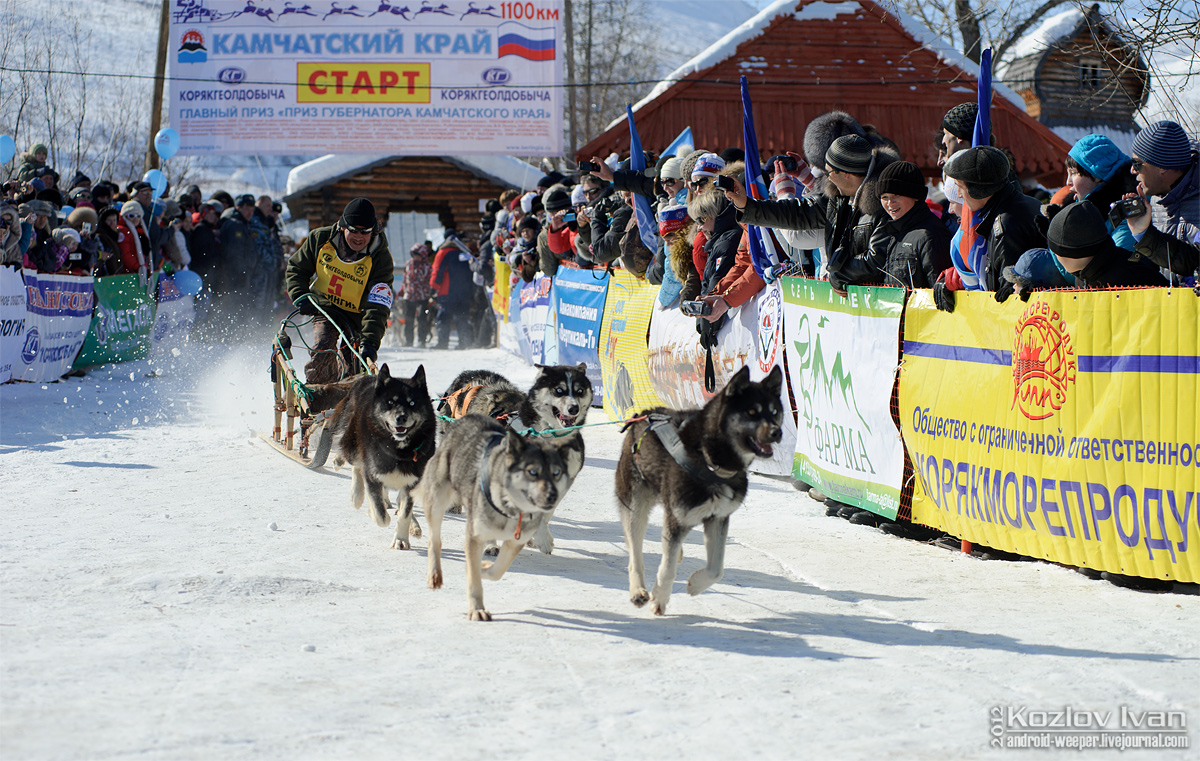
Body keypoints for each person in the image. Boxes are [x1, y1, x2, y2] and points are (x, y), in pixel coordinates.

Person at [285, 197, 394, 383]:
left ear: (373, 231)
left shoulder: (380, 258)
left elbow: (378, 306)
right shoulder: (320, 239)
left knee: (354, 363)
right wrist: (301, 295)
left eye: (365, 232)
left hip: (358, 317)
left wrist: (370, 342)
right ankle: (317, 393)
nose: (359, 237)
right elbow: (297, 269)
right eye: (353, 230)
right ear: (342, 226)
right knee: (324, 346)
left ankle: (345, 401)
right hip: (325, 308)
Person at [937, 145, 1044, 308]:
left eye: (961, 187)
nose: (959, 195)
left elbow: (1007, 296)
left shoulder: (1005, 223)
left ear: (978, 189)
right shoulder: (1027, 203)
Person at [833, 161, 951, 289]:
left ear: (915, 195)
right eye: (884, 197)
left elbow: (940, 293)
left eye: (897, 195)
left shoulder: (930, 235)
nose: (890, 203)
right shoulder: (893, 232)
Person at [1122, 120, 1199, 282]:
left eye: (1137, 163)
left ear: (1162, 167)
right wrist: (1142, 231)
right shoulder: (1157, 200)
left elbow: (1192, 263)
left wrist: (1145, 236)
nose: (1132, 170)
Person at [1046, 201, 1167, 288]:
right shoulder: (1086, 272)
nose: (1055, 256)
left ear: (1072, 254)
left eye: (1056, 251)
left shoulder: (1128, 279)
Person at [1062, 134, 1138, 249]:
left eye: (1073, 173)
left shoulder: (1127, 213)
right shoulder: (1084, 211)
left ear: (1097, 175)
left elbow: (1118, 262)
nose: (1068, 182)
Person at [428, 229, 476, 349]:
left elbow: (438, 271)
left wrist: (433, 287)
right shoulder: (465, 252)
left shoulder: (443, 251)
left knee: (443, 318)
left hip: (447, 292)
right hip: (464, 292)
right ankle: (464, 343)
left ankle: (443, 343)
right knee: (462, 318)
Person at [399, 242, 434, 347]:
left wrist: (431, 293)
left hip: (423, 296)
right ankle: (408, 340)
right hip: (410, 295)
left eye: (418, 255)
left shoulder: (427, 266)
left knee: (422, 318)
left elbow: (430, 280)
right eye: (414, 255)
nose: (415, 257)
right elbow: (405, 279)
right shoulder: (409, 264)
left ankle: (421, 340)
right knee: (409, 319)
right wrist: (402, 290)